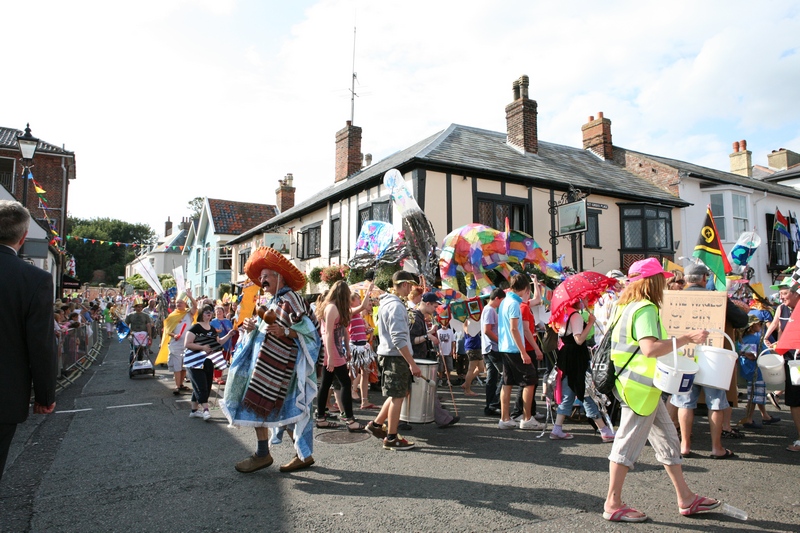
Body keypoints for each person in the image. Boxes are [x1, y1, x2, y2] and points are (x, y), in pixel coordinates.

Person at [603, 258, 719, 522]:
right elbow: (650, 349)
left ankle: (686, 498)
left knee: (668, 440)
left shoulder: (623, 306)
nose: (665, 283)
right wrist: (688, 338)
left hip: (634, 386)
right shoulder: (645, 309)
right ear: (652, 281)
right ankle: (612, 503)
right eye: (661, 279)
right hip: (640, 389)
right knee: (626, 445)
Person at [221, 247, 321, 473]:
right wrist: (251, 328)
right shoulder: (272, 301)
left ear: (280, 277)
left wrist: (286, 333)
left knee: (287, 412)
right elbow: (265, 330)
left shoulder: (291, 299)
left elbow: (311, 335)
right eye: (261, 277)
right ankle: (268, 454)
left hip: (284, 370)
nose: (262, 280)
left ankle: (295, 454)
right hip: (264, 368)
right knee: (267, 409)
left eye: (267, 276)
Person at [0, 200, 57, 482]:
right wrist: (45, 396)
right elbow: (41, 343)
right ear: (23, 238)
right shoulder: (34, 279)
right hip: (4, 395)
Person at [669, 262, 748, 458]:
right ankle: (716, 447)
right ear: (705, 278)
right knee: (715, 402)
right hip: (712, 357)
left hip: (684, 355)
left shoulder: (673, 299)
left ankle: (684, 446)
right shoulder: (717, 298)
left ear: (686, 279)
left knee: (684, 401)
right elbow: (742, 321)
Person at [365, 271, 423, 450]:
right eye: (410, 286)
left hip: (390, 354)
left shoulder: (387, 303)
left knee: (398, 393)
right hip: (395, 356)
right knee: (398, 396)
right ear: (405, 284)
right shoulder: (396, 306)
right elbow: (398, 339)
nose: (411, 290)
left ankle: (376, 424)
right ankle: (391, 437)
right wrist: (412, 364)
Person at [551, 297, 614, 441]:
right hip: (576, 358)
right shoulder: (576, 316)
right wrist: (590, 323)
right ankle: (604, 430)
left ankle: (557, 428)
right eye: (585, 299)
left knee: (572, 391)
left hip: (566, 356)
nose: (587, 301)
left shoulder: (565, 313)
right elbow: (579, 340)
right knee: (585, 391)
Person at [315, 281, 367, 432]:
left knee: (326, 384)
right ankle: (350, 420)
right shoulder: (331, 308)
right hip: (333, 352)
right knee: (344, 383)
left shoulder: (334, 307)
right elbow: (329, 333)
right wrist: (331, 356)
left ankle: (321, 418)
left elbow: (342, 328)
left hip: (334, 351)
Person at [497, 273, 545, 431]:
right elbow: (514, 329)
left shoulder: (504, 301)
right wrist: (523, 352)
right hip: (514, 348)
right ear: (525, 288)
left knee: (507, 383)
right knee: (530, 381)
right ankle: (526, 418)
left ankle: (505, 418)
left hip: (504, 347)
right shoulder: (514, 304)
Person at [763, 277, 800, 452]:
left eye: (784, 293)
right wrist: (772, 340)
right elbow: (779, 326)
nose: (781, 296)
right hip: (791, 360)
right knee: (795, 398)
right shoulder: (782, 308)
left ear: (795, 293)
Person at [184, 305, 235, 421]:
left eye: (210, 312)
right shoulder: (195, 327)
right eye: (207, 312)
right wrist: (202, 347)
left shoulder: (212, 329)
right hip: (194, 361)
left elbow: (219, 342)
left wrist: (229, 335)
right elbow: (187, 344)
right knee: (201, 386)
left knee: (204, 385)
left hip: (208, 361)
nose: (209, 313)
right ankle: (206, 410)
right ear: (201, 314)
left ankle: (194, 411)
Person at [736, 313, 780, 429]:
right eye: (759, 324)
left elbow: (745, 353)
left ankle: (765, 415)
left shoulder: (742, 339)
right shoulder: (754, 339)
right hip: (756, 371)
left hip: (747, 369)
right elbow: (751, 355)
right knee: (755, 396)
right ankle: (749, 419)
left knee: (757, 394)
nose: (761, 325)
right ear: (752, 326)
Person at [158, 290, 197, 395]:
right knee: (177, 366)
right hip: (176, 345)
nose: (179, 304)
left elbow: (195, 306)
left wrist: (190, 297)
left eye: (181, 302)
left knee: (184, 366)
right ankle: (177, 386)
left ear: (185, 304)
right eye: (177, 303)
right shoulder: (172, 316)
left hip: (187, 344)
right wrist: (174, 335)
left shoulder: (189, 314)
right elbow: (167, 331)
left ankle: (180, 385)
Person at [481, 288, 506, 416]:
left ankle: (490, 406)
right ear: (497, 298)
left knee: (492, 379)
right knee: (505, 374)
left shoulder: (489, 309)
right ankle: (494, 403)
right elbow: (487, 330)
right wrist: (500, 341)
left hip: (489, 348)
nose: (501, 304)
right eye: (502, 301)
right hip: (493, 348)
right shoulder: (490, 310)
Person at [462, 323, 484, 397]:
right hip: (472, 347)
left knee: (481, 368)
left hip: (476, 347)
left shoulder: (474, 323)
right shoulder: (467, 323)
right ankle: (467, 390)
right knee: (471, 369)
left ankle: (466, 383)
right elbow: (468, 331)